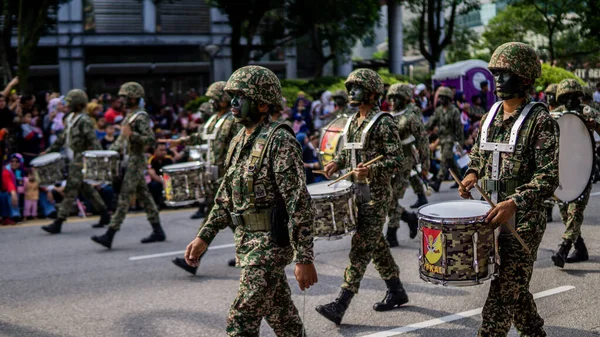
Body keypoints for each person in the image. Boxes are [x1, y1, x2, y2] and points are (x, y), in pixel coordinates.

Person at [183, 65, 318, 337]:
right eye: (233, 96)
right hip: (246, 243)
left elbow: (298, 202)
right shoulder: (239, 139)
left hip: (268, 247)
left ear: (263, 104)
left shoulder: (279, 140)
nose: (233, 102)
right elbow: (225, 197)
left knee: (241, 321)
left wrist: (304, 257)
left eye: (241, 97)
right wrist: (204, 236)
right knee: (283, 317)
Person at [459, 42, 559, 337]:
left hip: (523, 223)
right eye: (496, 74)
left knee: (500, 301)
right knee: (515, 291)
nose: (499, 80)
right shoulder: (490, 115)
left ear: (526, 79)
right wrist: (471, 174)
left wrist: (514, 202)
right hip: (489, 216)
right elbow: (478, 154)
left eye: (507, 74)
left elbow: (548, 175)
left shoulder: (541, 120)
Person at [316, 69, 408, 325]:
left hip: (377, 196)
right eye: (350, 88)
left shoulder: (384, 122)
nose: (351, 92)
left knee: (360, 247)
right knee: (374, 244)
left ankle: (340, 303)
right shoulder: (352, 121)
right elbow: (348, 153)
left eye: (356, 88)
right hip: (356, 193)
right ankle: (397, 290)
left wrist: (372, 169)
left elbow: (396, 160)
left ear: (371, 93)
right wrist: (335, 163)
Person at [168, 81, 242, 274]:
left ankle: (194, 259)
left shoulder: (232, 120)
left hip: (225, 176)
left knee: (221, 218)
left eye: (213, 99)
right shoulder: (213, 120)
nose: (211, 102)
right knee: (228, 219)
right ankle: (245, 254)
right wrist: (180, 141)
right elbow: (200, 136)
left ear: (224, 101)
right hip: (212, 175)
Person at [91, 82, 165, 248]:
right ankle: (158, 230)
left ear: (133, 97)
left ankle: (110, 234)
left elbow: (150, 139)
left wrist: (132, 135)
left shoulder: (141, 116)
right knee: (145, 196)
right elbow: (121, 140)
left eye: (125, 97)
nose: (122, 100)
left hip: (136, 161)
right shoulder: (129, 115)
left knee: (124, 197)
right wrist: (109, 152)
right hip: (128, 160)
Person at [40, 89, 111, 234]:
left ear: (77, 104)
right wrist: (49, 150)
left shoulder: (84, 120)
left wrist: (99, 159)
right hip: (72, 157)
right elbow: (62, 138)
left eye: (71, 102)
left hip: (80, 159)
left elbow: (93, 141)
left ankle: (59, 221)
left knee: (71, 188)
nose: (68, 104)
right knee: (86, 189)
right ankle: (104, 214)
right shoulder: (71, 118)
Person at [550, 79, 600, 267]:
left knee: (575, 211)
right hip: (563, 169)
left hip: (584, 168)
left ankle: (563, 248)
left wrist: (594, 125)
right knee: (564, 211)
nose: (570, 100)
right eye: (566, 96)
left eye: (573, 96)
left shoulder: (589, 112)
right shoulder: (556, 114)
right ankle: (580, 249)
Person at [385, 83, 427, 247]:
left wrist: (425, 164)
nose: (394, 101)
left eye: (398, 98)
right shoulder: (387, 116)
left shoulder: (411, 115)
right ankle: (410, 218)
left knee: (392, 198)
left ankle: (391, 234)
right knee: (388, 198)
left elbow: (422, 140)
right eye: (391, 98)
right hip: (388, 163)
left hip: (405, 161)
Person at [427, 86, 464, 192]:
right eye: (440, 97)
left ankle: (438, 181)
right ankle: (460, 180)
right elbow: (431, 122)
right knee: (450, 161)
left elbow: (458, 128)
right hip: (442, 138)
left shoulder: (454, 111)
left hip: (450, 139)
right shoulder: (438, 110)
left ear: (449, 98)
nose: (441, 100)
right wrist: (424, 129)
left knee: (444, 159)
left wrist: (460, 143)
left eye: (443, 97)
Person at [147, 143, 173, 209]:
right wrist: (162, 181)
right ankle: (157, 204)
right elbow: (152, 173)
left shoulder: (169, 159)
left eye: (164, 150)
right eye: (161, 150)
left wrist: (167, 181)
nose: (163, 152)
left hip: (168, 179)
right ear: (155, 151)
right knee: (153, 185)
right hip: (158, 180)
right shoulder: (151, 160)